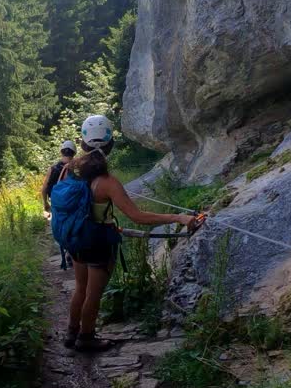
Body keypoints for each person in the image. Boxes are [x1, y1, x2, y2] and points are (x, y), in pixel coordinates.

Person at [61, 115, 197, 352]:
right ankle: (86, 337)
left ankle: (71, 333)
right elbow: (138, 216)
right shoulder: (107, 182)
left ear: (81, 144)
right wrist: (179, 217)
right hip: (98, 244)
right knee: (93, 294)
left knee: (80, 289)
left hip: (74, 239)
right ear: (110, 144)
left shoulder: (68, 171)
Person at [41, 140, 77, 219]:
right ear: (74, 153)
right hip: (74, 205)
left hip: (57, 203)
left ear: (61, 152)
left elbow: (44, 189)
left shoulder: (52, 169)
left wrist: (45, 203)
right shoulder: (77, 168)